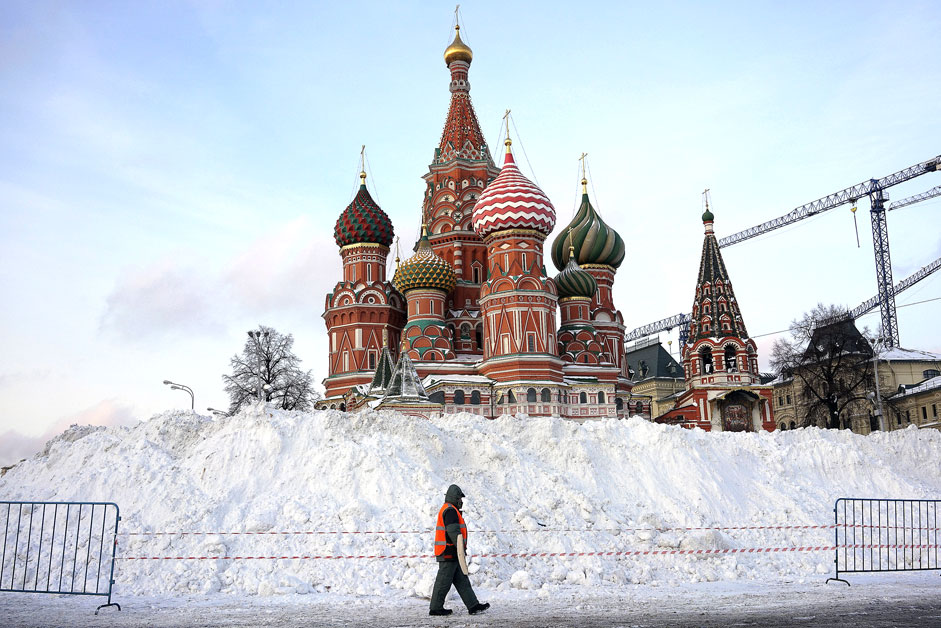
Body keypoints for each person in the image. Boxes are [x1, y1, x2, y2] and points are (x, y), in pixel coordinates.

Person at [429, 484, 490, 616]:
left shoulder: (450, 509)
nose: (461, 501)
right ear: (455, 498)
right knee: (443, 581)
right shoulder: (450, 510)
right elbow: (453, 531)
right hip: (448, 552)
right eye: (460, 499)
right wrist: (460, 548)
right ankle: (435, 608)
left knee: (462, 581)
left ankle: (473, 605)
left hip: (452, 552)